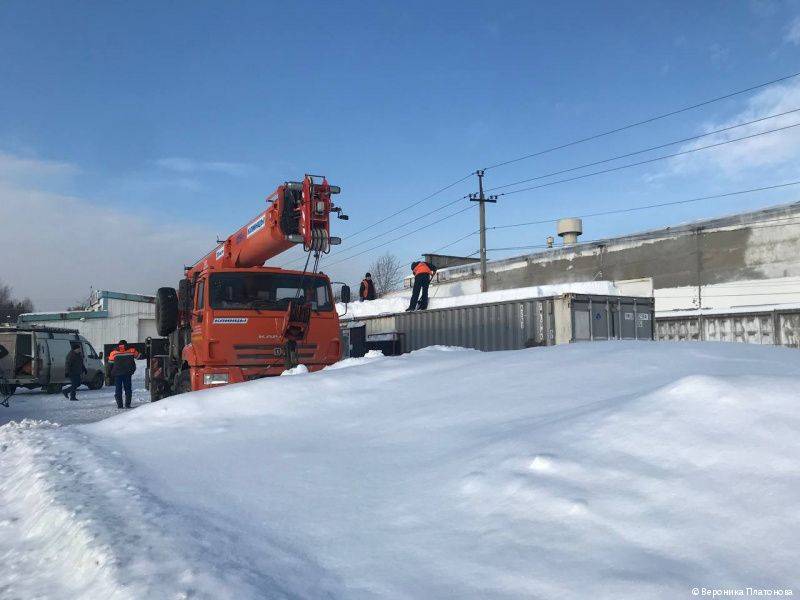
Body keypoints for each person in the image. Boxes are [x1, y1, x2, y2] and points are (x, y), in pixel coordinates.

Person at [108, 339, 141, 409]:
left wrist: (109, 373)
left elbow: (110, 364)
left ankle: (120, 405)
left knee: (118, 389)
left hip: (117, 374)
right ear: (126, 345)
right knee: (128, 389)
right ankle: (127, 405)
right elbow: (138, 357)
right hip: (127, 373)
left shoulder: (113, 352)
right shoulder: (132, 350)